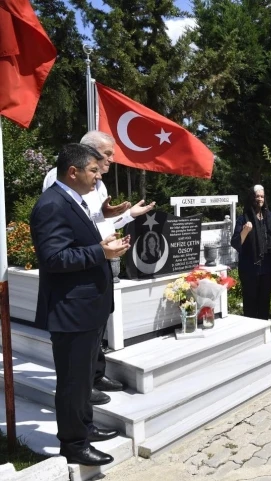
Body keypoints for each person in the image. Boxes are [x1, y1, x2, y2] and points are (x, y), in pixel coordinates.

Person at [31, 143, 131, 466]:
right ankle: (74, 445)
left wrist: (103, 246)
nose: (97, 175)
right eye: (92, 169)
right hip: (70, 311)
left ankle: (85, 428)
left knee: (84, 378)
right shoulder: (51, 205)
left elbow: (79, 243)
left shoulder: (73, 200)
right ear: (72, 172)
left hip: (86, 308)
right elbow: (54, 258)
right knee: (73, 382)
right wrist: (101, 252)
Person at [42, 131, 155, 405]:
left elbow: (97, 223)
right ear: (88, 153)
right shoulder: (58, 182)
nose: (111, 161)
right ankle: (83, 387)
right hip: (81, 268)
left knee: (98, 323)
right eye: (107, 155)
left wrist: (125, 215)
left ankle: (95, 374)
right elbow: (67, 228)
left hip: (102, 259)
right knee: (82, 335)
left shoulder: (98, 184)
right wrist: (99, 247)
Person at [231, 185, 271, 321]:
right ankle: (251, 332)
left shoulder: (270, 216)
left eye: (262, 196)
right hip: (249, 268)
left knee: (264, 300)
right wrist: (245, 231)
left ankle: (263, 331)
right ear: (252, 198)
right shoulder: (244, 218)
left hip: (267, 266)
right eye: (257, 196)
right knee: (250, 301)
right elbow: (236, 242)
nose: (259, 199)